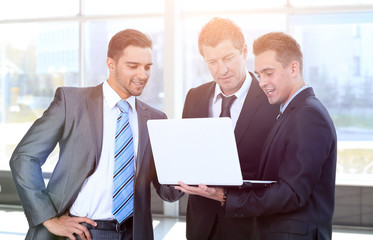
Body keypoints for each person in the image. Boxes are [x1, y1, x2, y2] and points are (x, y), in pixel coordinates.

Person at [10, 29, 183, 240]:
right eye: (133, 66)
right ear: (111, 64)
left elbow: (167, 191)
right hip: (82, 232)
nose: (143, 75)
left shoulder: (155, 118)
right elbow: (25, 157)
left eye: (147, 67)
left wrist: (191, 170)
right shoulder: (71, 103)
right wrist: (48, 219)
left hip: (134, 233)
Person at [177, 31, 337, 240]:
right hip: (206, 225)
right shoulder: (290, 109)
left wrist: (224, 196)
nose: (262, 82)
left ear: (293, 68)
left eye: (269, 73)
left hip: (271, 229)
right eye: (260, 74)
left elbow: (291, 192)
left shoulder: (306, 114)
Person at [176, 17, 279, 240]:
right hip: (202, 225)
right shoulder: (194, 97)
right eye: (212, 62)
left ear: (243, 52)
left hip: (250, 225)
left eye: (228, 58)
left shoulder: (272, 99)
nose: (222, 70)